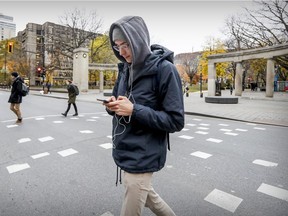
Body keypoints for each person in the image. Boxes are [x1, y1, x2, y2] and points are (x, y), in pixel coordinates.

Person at [104, 16, 185, 216]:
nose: (121, 52)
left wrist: (134, 110)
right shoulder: (125, 69)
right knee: (150, 198)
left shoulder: (165, 70)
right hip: (125, 149)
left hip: (143, 155)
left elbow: (176, 121)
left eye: (125, 45)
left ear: (138, 41)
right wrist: (112, 106)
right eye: (117, 46)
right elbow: (119, 102)